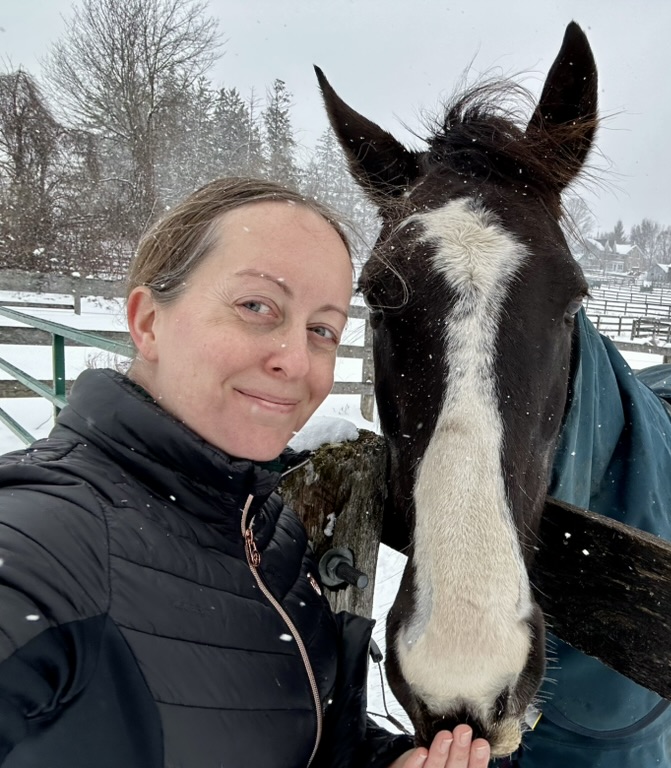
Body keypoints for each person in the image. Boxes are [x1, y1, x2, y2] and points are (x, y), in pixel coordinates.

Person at [0, 177, 491, 768]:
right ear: (148, 321)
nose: (294, 359)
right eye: (256, 306)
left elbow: (297, 737)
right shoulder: (41, 540)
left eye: (322, 330)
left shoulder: (269, 531)